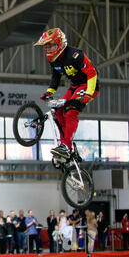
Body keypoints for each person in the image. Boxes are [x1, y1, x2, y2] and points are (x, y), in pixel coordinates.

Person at [35, 28, 99, 159]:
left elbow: (92, 73)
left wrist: (88, 93)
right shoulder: (54, 60)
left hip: (89, 85)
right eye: (45, 47)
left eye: (50, 46)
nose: (47, 50)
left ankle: (66, 145)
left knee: (71, 111)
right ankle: (66, 147)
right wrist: (49, 91)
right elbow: (56, 76)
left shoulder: (75, 55)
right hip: (75, 87)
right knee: (58, 112)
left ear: (60, 44)